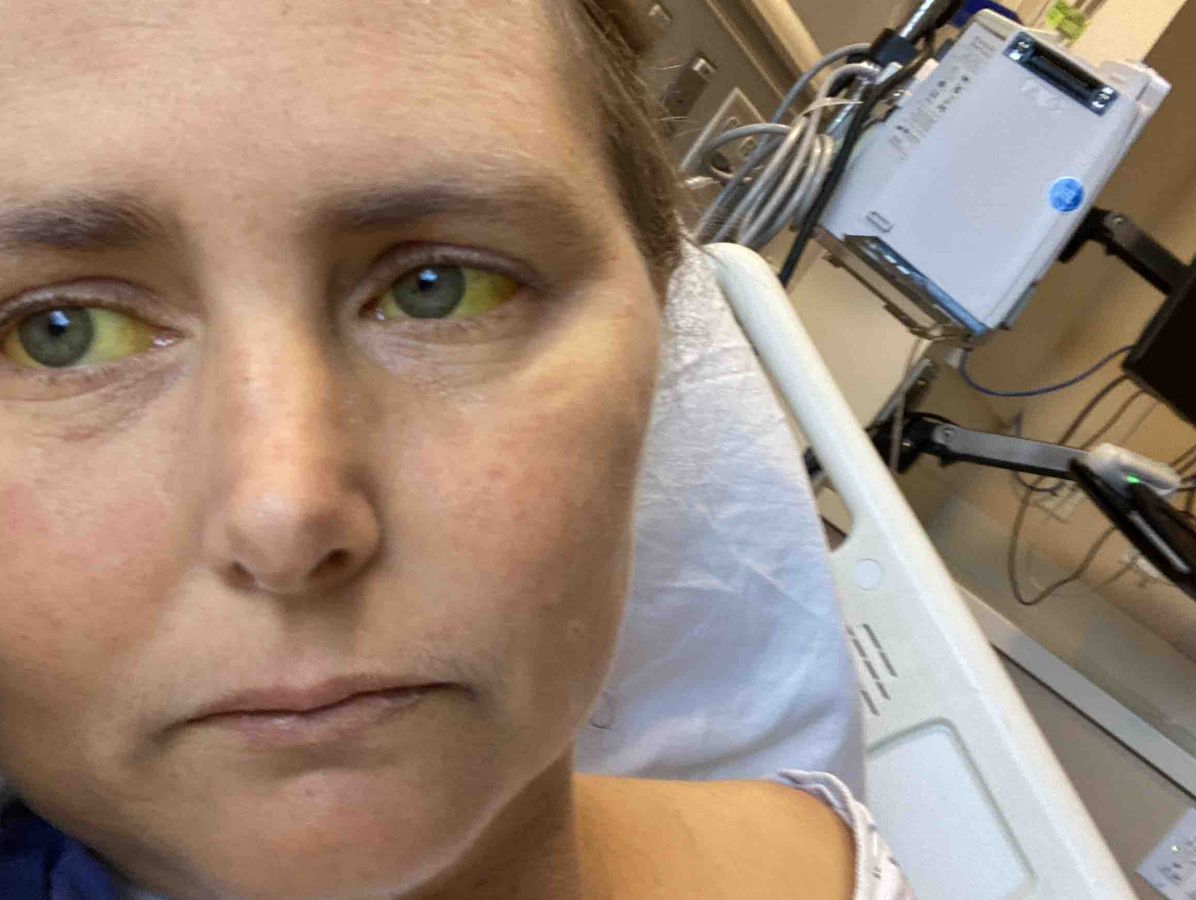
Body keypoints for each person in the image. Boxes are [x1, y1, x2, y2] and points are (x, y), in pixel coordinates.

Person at [0, 1, 912, 897]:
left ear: (660, 320)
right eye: (60, 334)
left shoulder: (823, 866)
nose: (286, 516)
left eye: (440, 289)